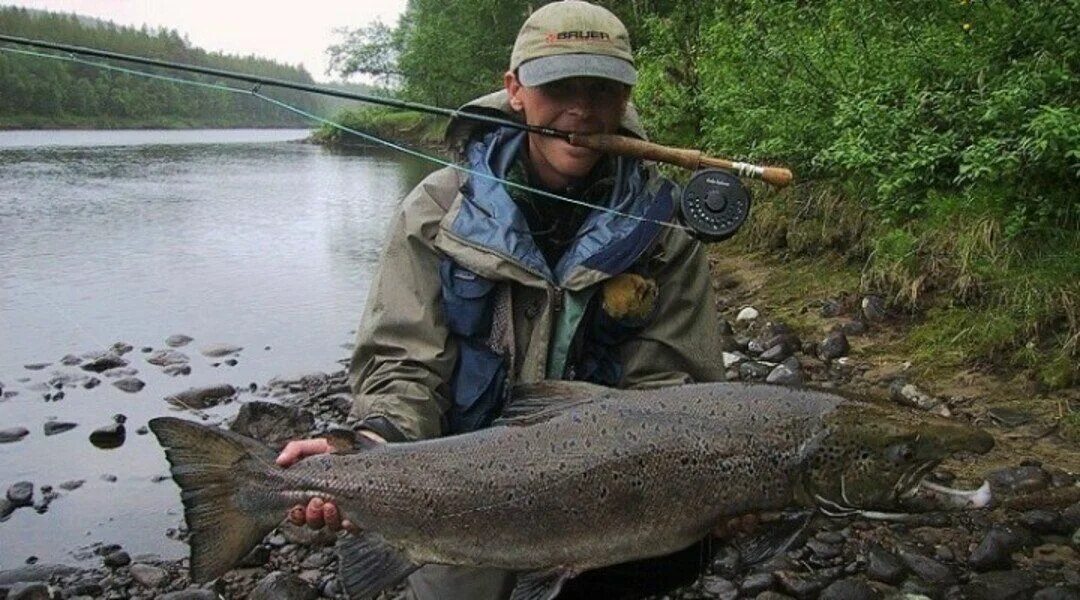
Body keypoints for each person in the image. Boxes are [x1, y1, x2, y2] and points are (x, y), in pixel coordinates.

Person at [277, 1, 728, 598]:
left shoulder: (665, 230)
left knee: (694, 538)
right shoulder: (437, 211)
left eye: (603, 88)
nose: (582, 108)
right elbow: (403, 363)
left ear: (626, 96)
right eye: (557, 85)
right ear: (515, 89)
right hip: (457, 490)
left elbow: (673, 396)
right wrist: (365, 443)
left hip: (610, 497)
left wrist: (718, 492)